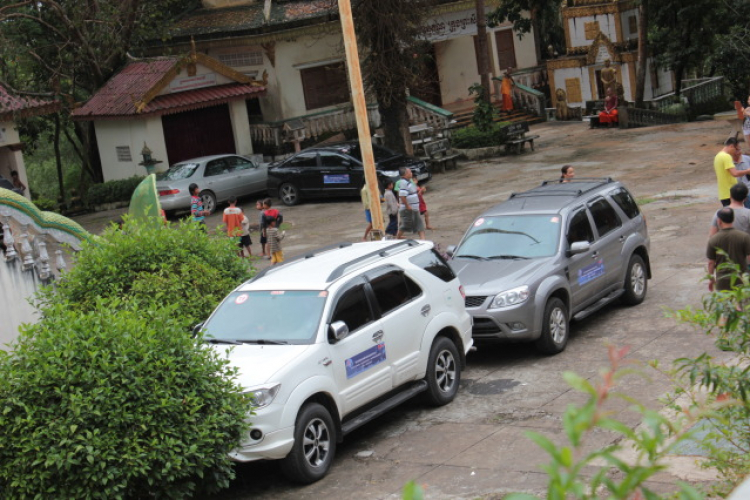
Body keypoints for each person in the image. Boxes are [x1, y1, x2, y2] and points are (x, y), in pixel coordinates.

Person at [706, 207, 750, 292]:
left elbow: (711, 262)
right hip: (741, 280)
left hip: (722, 282)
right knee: (741, 304)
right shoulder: (744, 237)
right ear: (733, 220)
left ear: (719, 221)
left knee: (725, 304)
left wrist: (711, 279)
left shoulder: (713, 240)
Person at [714, 137, 750, 206]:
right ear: (731, 146)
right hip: (731, 193)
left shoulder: (718, 156)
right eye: (735, 149)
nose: (735, 152)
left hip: (723, 193)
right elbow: (735, 173)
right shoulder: (726, 157)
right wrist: (747, 171)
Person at [396, 167, 425, 240]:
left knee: (419, 225)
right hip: (408, 209)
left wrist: (421, 191)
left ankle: (423, 240)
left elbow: (413, 194)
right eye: (410, 172)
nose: (411, 173)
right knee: (405, 225)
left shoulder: (410, 182)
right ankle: (397, 238)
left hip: (414, 208)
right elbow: (402, 196)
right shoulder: (403, 183)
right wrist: (407, 206)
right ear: (405, 174)